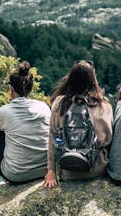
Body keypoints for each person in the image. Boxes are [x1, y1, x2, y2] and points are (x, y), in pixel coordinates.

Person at [44, 60, 113, 188]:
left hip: (68, 169)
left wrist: (51, 171)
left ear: (71, 79)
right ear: (93, 80)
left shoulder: (59, 103)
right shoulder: (105, 106)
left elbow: (52, 139)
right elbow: (108, 140)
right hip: (96, 170)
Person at [0, 61, 51, 191]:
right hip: (44, 170)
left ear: (11, 88)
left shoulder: (3, 111)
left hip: (16, 174)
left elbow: (1, 129)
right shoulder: (44, 107)